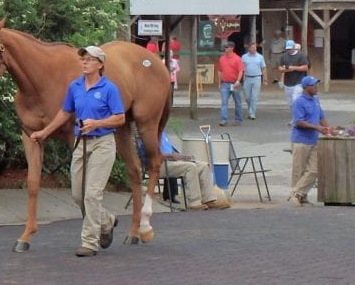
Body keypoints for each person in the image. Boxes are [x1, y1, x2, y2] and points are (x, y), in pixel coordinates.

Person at [30, 46, 125, 257]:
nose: (84, 62)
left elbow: (120, 118)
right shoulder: (75, 87)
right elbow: (65, 112)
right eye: (83, 59)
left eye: (90, 60)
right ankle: (106, 220)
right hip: (81, 143)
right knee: (78, 195)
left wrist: (97, 123)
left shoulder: (109, 88)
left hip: (103, 143)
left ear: (100, 64)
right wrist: (45, 132)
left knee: (92, 194)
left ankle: (90, 242)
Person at [142, 132, 227, 211]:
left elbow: (171, 151)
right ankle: (194, 202)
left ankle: (208, 199)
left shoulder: (162, 133)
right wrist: (171, 155)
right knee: (190, 167)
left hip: (171, 161)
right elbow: (150, 155)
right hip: (157, 165)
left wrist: (183, 157)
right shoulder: (148, 133)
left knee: (204, 166)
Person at [288, 76, 331, 207]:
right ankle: (300, 197)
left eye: (317, 85)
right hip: (301, 140)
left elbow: (322, 117)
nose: (317, 87)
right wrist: (317, 127)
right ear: (306, 88)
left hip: (313, 140)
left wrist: (329, 130)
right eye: (314, 85)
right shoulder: (298, 102)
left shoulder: (316, 100)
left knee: (314, 169)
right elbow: (299, 122)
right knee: (298, 170)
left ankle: (296, 193)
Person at [216, 41, 244, 126]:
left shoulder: (237, 58)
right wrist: (219, 83)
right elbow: (220, 71)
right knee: (224, 102)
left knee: (238, 102)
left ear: (232, 48)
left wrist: (238, 81)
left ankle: (238, 119)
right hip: (225, 83)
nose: (225, 49)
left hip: (234, 83)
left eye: (226, 47)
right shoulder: (222, 58)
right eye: (225, 47)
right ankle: (224, 119)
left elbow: (240, 71)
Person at [278, 39, 309, 110]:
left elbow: (305, 67)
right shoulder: (283, 56)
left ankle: (297, 117)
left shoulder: (301, 55)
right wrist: (285, 70)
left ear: (294, 47)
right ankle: (296, 114)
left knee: (296, 99)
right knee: (290, 101)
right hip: (288, 82)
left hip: (299, 81)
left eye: (290, 48)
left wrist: (294, 68)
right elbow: (280, 67)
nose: (289, 50)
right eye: (287, 49)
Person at [241, 42, 268, 120]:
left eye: (255, 47)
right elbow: (241, 69)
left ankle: (252, 113)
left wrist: (265, 79)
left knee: (254, 97)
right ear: (249, 48)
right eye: (252, 47)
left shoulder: (260, 57)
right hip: (247, 78)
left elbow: (263, 68)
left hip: (257, 78)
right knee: (247, 97)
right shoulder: (244, 57)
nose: (254, 49)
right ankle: (250, 109)